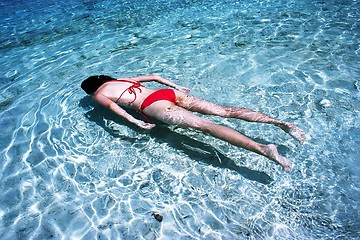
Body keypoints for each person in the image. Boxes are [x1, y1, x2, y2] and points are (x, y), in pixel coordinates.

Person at [81, 74, 305, 172]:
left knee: (207, 126)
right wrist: (176, 86)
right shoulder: (122, 79)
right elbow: (154, 76)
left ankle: (263, 149)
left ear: (92, 89)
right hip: (166, 93)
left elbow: (113, 107)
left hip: (153, 105)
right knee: (224, 111)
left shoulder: (97, 95)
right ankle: (280, 123)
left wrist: (134, 121)